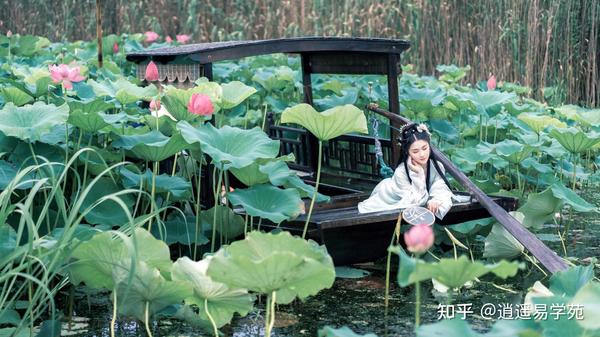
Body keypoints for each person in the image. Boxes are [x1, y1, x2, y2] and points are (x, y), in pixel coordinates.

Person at [357, 123, 462, 219]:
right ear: (408, 152)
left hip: (412, 196)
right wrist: (419, 175)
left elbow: (440, 187)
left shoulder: (436, 166)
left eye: (425, 148)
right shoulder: (401, 172)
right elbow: (414, 202)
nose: (422, 154)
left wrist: (436, 200)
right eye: (415, 151)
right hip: (389, 196)